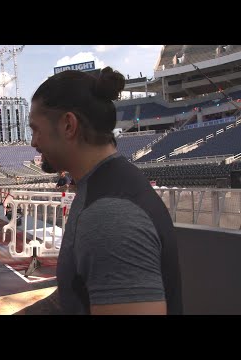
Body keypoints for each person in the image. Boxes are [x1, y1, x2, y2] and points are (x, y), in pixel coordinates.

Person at [18, 68, 182, 315]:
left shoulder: (109, 215)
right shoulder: (105, 186)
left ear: (68, 125)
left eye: (35, 129)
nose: (33, 142)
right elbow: (77, 293)